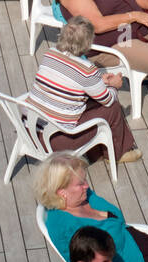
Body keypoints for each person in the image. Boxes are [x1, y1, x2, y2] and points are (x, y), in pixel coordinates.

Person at [26, 19, 141, 165]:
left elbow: (68, 79)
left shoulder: (50, 53)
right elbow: (108, 100)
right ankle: (118, 153)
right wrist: (113, 85)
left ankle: (98, 151)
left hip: (30, 131)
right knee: (113, 108)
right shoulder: (87, 69)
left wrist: (99, 81)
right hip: (56, 141)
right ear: (87, 44)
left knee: (89, 101)